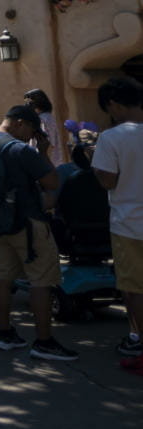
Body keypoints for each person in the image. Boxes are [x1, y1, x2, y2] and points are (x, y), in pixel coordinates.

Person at [0, 105, 76, 360]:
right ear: (20, 123)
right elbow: (52, 182)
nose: (31, 136)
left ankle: (5, 334)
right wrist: (44, 152)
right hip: (28, 224)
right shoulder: (22, 150)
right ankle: (44, 342)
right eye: (31, 130)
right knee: (42, 280)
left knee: (4, 276)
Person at [92, 76, 143, 367]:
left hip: (130, 224)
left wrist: (96, 166)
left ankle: (139, 341)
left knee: (135, 288)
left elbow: (108, 180)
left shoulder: (111, 138)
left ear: (112, 104)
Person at [24, 88, 67, 165]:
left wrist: (43, 166)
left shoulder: (44, 119)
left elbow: (49, 145)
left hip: (47, 165)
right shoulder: (46, 118)